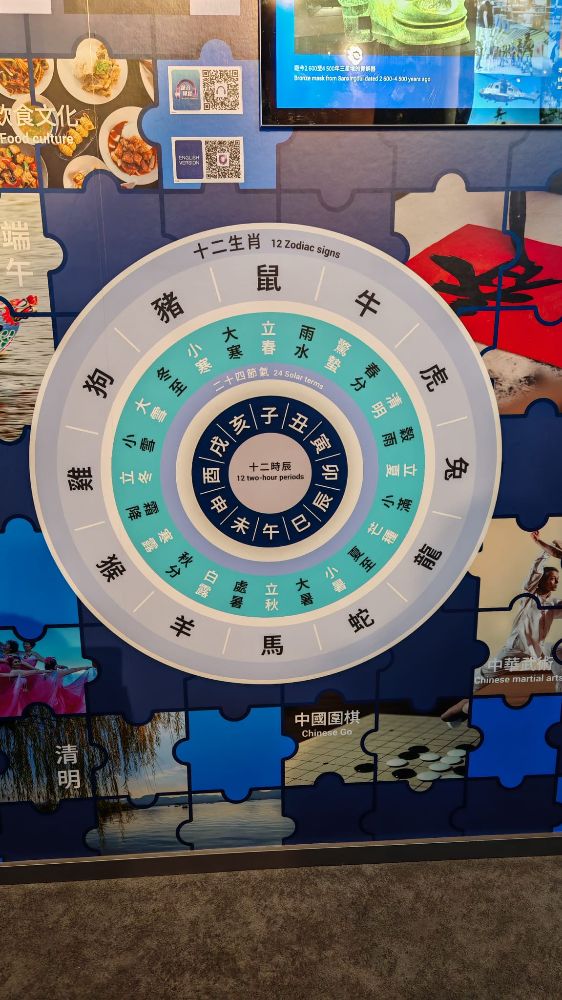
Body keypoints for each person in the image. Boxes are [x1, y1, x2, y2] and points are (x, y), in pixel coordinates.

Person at [442, 530, 562, 722]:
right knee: (485, 674)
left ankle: (557, 704)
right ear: (542, 581)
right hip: (516, 646)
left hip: (538, 648)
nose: (556, 581)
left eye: (557, 579)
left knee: (559, 655)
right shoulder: (529, 594)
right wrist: (544, 548)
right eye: (552, 578)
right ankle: (464, 702)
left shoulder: (554, 604)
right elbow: (536, 570)